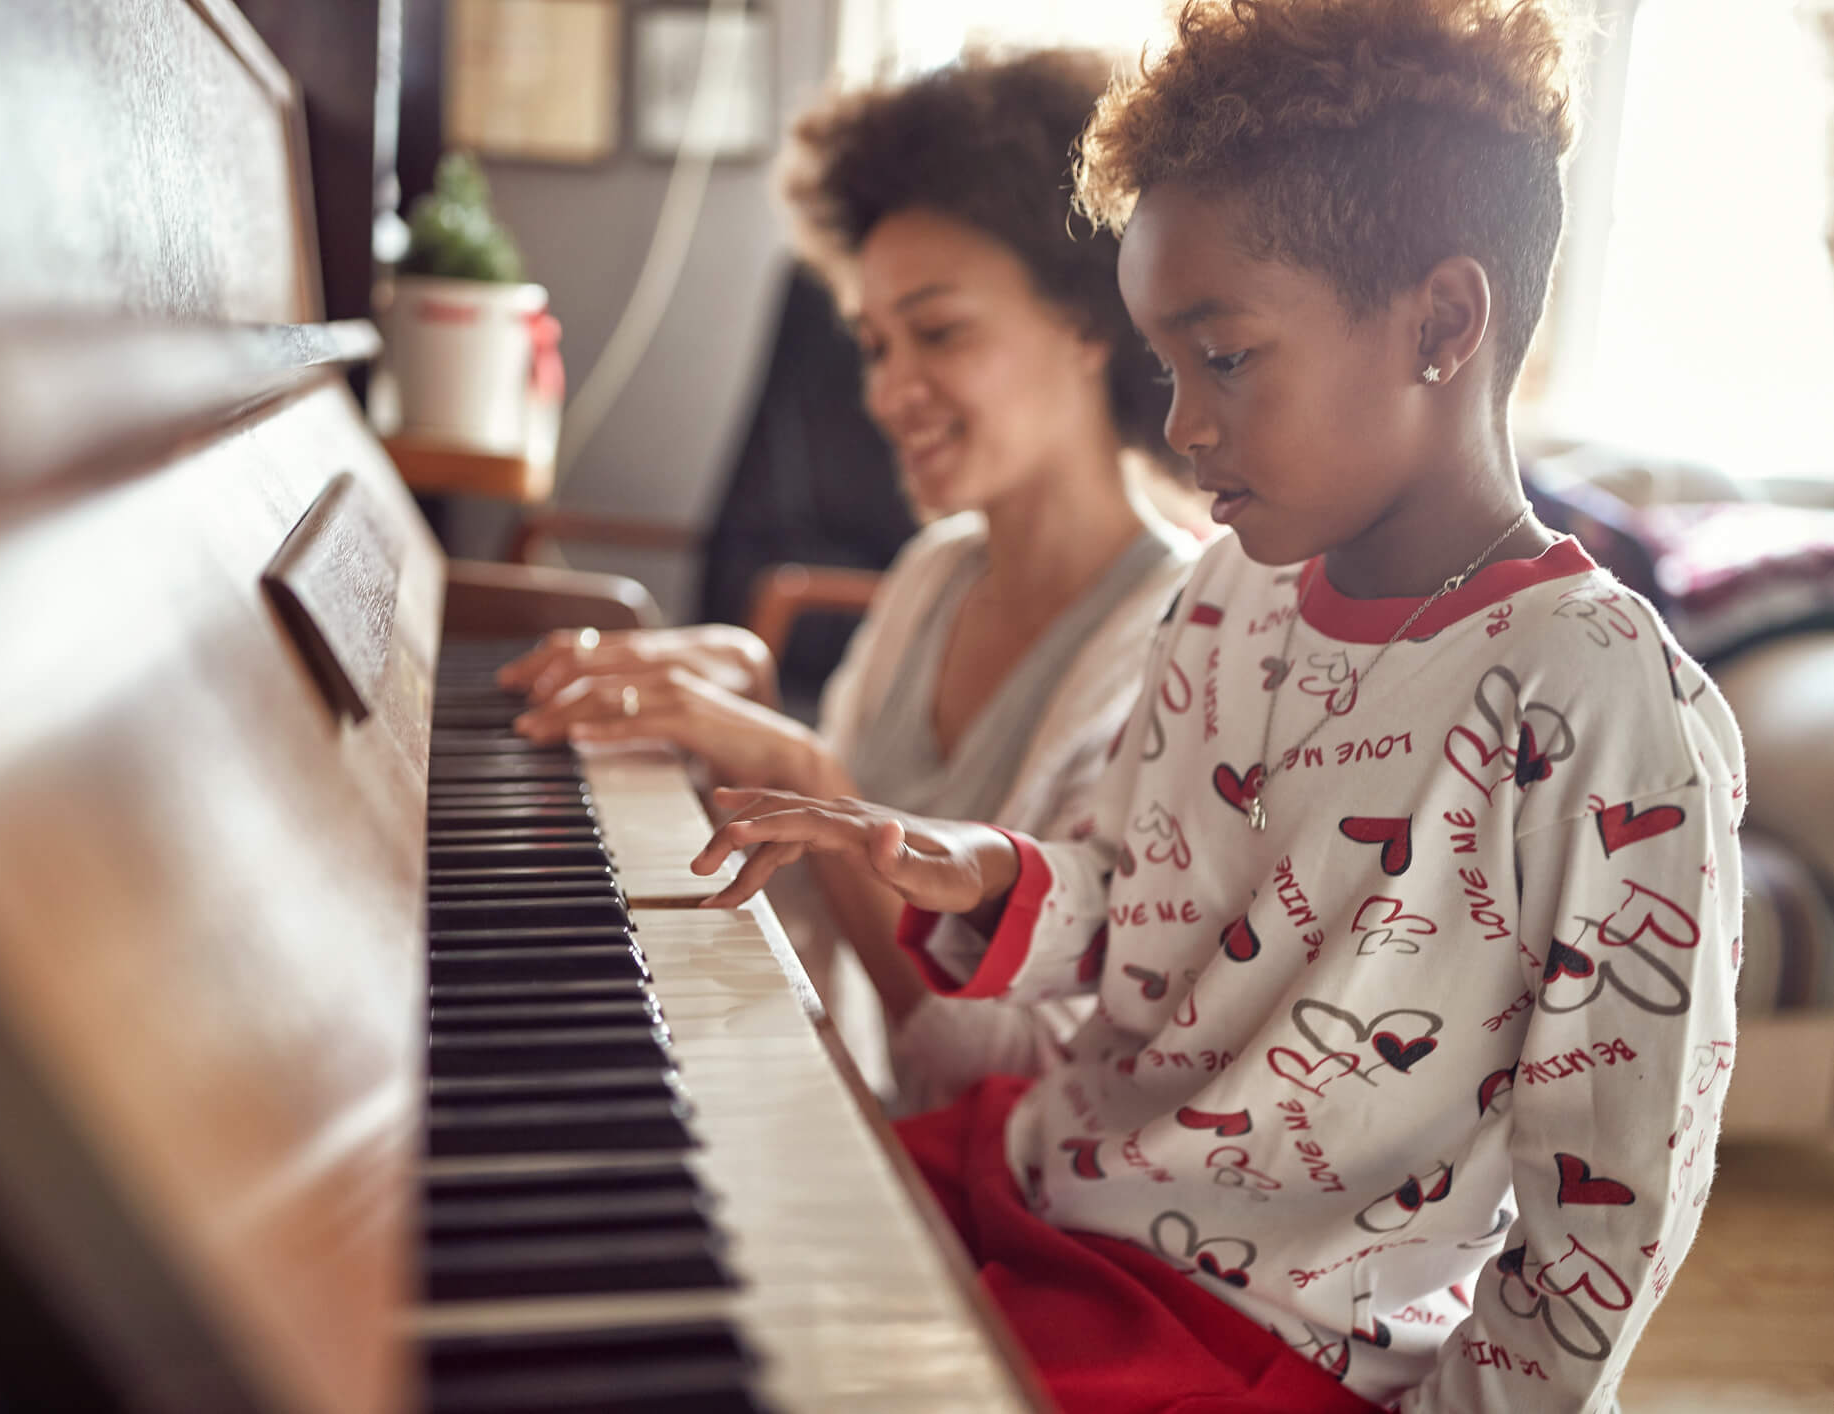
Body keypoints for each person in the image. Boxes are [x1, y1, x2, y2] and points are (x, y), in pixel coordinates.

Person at [689, 2, 1746, 1411]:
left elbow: (1612, 1198)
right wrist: (982, 868)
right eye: (1166, 366)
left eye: (1225, 357)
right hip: (1035, 1186)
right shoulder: (1224, 596)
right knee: (695, 1231)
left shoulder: (1602, 697)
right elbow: (1138, 895)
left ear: (1440, 322)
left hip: (1246, 1340)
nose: (1181, 422)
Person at [502, 50, 1202, 1113]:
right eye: (875, 345)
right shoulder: (933, 576)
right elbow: (813, 920)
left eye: (939, 332)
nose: (886, 392)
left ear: (1089, 321)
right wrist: (737, 707)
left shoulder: (1178, 640)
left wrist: (810, 775)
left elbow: (1017, 1076)